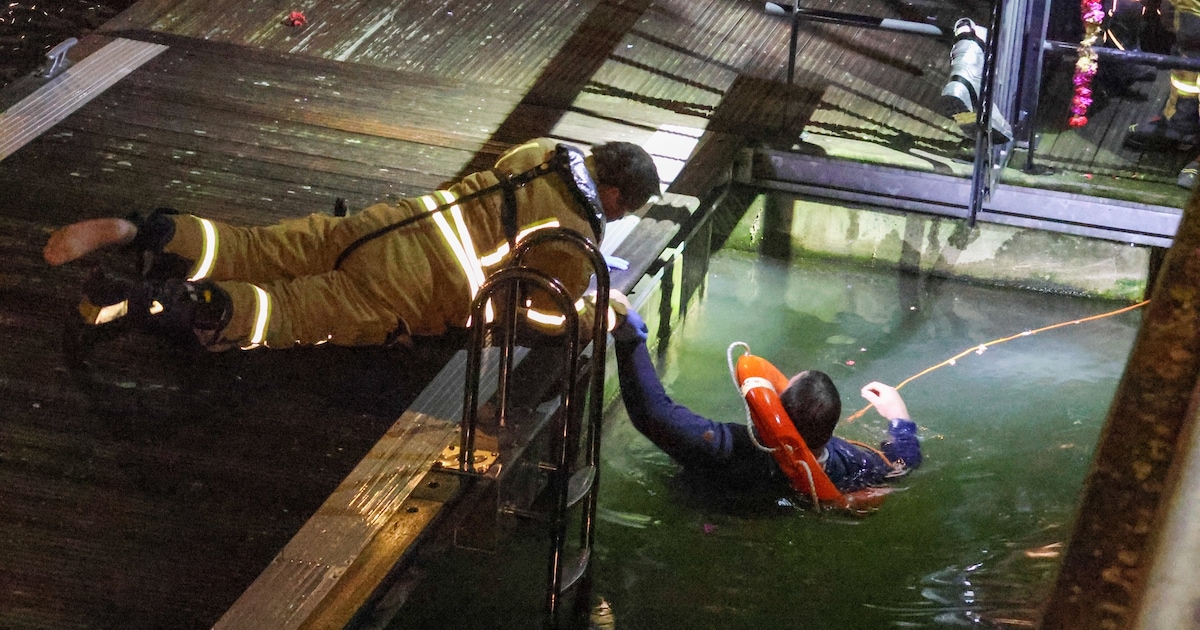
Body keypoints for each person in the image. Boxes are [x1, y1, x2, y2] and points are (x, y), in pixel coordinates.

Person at [43, 138, 660, 351]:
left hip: (393, 223)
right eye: (624, 207)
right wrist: (594, 313)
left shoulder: (541, 153)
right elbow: (543, 314)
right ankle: (134, 302)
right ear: (613, 196)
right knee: (281, 312)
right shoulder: (575, 237)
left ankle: (142, 231)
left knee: (258, 247)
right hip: (413, 287)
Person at [609, 297, 921, 497]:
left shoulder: (730, 449)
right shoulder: (845, 464)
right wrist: (899, 418)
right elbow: (902, 465)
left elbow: (653, 413)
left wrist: (629, 334)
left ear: (775, 407)